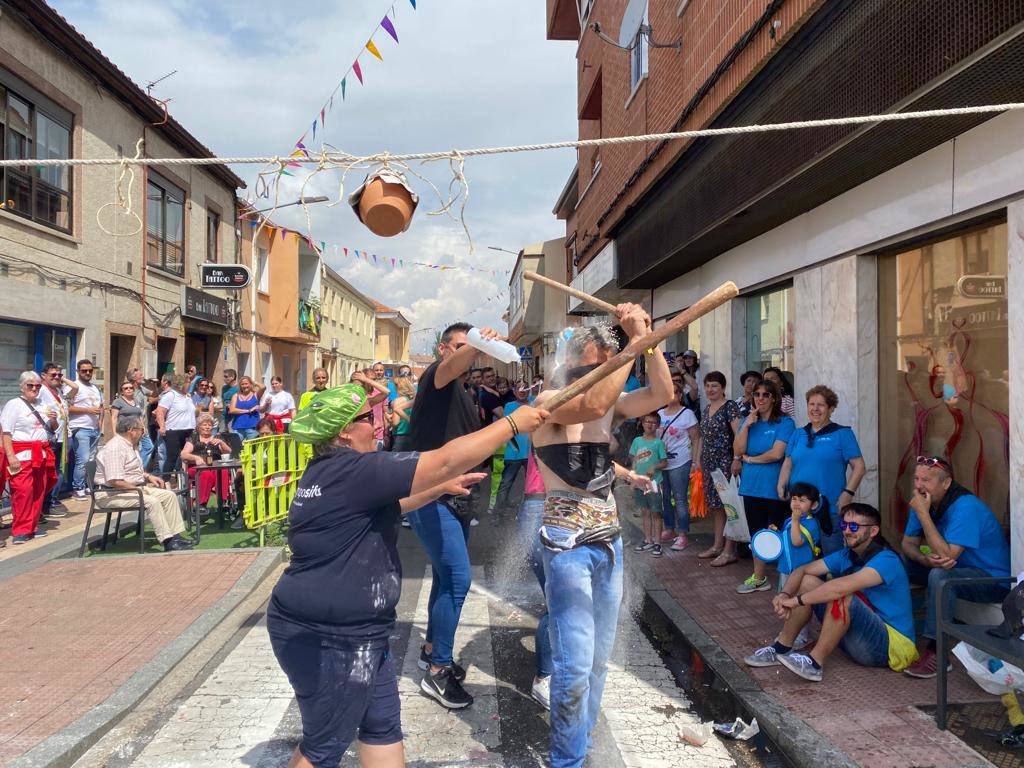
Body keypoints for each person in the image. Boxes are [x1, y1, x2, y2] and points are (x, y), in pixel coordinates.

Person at [267, 384, 548, 768]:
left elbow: (387, 505)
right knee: (323, 744)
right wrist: (512, 424)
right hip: (332, 636)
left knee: (381, 727)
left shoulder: (331, 472)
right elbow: (446, 458)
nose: (379, 423)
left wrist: (437, 489)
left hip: (358, 631)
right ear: (345, 431)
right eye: (369, 418)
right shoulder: (355, 469)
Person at [531, 307, 673, 768]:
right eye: (597, 366)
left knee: (596, 662)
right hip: (566, 547)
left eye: (606, 365)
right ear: (573, 364)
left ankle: (582, 743)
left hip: (608, 543)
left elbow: (662, 393)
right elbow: (591, 405)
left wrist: (647, 341)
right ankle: (566, 761)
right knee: (573, 668)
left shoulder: (606, 403)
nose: (604, 374)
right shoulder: (552, 399)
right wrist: (631, 345)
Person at [405, 322, 507, 709]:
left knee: (446, 578)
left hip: (459, 499)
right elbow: (454, 363)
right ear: (444, 350)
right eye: (462, 347)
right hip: (435, 497)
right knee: (459, 580)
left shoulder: (462, 390)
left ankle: (432, 650)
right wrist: (479, 345)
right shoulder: (436, 376)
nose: (469, 354)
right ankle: (438, 672)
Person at [743, 503, 918, 681]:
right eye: (844, 525)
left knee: (841, 593)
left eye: (854, 526)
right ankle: (781, 647)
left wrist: (797, 601)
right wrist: (784, 595)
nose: (847, 530)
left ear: (873, 531)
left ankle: (814, 664)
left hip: (890, 648)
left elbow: (840, 588)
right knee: (808, 581)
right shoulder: (847, 555)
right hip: (859, 640)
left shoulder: (886, 559)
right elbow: (802, 570)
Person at [900, 455, 1012, 679]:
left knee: (941, 577)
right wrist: (924, 560)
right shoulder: (924, 499)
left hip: (992, 580)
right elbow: (908, 544)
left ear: (946, 483)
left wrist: (923, 514)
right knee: (897, 562)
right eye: (916, 479)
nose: (919, 486)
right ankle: (895, 631)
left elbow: (947, 556)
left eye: (927, 480)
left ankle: (937, 654)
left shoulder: (965, 506)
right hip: (955, 569)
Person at [777, 385, 866, 554]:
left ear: (831, 408)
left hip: (829, 506)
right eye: (811, 404)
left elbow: (859, 467)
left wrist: (848, 493)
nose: (815, 409)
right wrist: (781, 484)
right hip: (800, 508)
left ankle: (833, 581)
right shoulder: (798, 434)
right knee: (801, 554)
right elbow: (788, 463)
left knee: (831, 555)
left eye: (821, 405)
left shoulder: (842, 434)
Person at [93, 415, 193, 551]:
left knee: (169, 495)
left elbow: (131, 471)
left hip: (129, 489)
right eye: (141, 429)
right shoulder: (115, 448)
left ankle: (176, 536)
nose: (143, 432)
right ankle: (167, 541)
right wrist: (138, 489)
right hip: (110, 494)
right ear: (131, 430)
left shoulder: (130, 445)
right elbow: (115, 480)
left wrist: (148, 476)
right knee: (152, 501)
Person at [733, 379, 797, 592]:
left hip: (775, 488)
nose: (760, 398)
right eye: (757, 394)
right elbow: (738, 449)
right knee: (757, 534)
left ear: (774, 398)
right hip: (751, 487)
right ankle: (759, 577)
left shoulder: (785, 423)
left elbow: (777, 453)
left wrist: (750, 460)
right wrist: (746, 427)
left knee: (778, 534)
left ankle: (786, 581)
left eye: (765, 394)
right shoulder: (748, 421)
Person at [1, 371, 59, 544]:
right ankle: (20, 529)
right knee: (22, 492)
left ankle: (32, 526)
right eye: (30, 385)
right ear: (22, 386)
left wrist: (54, 420)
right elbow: (6, 433)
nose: (34, 388)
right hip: (22, 454)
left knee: (38, 491)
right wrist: (11, 456)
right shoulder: (14, 405)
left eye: (38, 386)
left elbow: (51, 428)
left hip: (40, 453)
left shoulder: (42, 404)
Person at [693, 371, 743, 566]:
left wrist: (737, 458)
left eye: (714, 385)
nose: (710, 389)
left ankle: (730, 550)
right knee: (717, 508)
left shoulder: (730, 407)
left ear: (722, 388)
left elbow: (738, 435)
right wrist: (697, 462)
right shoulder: (706, 409)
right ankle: (717, 546)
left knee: (730, 507)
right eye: (707, 386)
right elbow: (701, 438)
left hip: (725, 464)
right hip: (708, 465)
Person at [656, 379, 699, 551]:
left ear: (680, 395)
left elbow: (696, 438)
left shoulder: (687, 414)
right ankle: (669, 529)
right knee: (664, 498)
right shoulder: (659, 413)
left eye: (674, 391)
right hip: (662, 462)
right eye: (668, 391)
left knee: (680, 498)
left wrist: (696, 461)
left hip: (681, 460)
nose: (671, 395)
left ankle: (682, 534)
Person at [38, 362, 76, 519]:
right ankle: (45, 505)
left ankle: (49, 503)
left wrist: (62, 379)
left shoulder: (58, 390)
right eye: (53, 375)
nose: (57, 378)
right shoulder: (41, 391)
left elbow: (75, 389)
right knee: (48, 474)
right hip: (50, 439)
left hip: (61, 437)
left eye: (59, 375)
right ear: (43, 376)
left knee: (55, 473)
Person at [630, 413, 669, 557]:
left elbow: (665, 462)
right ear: (642, 423)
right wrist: (632, 477)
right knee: (644, 512)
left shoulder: (658, 443)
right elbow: (634, 461)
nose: (650, 425)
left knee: (656, 512)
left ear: (658, 425)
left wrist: (656, 467)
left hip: (654, 482)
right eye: (647, 422)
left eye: (653, 422)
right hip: (640, 482)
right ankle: (648, 540)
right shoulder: (637, 441)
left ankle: (658, 543)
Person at [67, 358, 104, 500]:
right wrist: (87, 410)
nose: (87, 373)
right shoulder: (73, 387)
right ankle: (77, 488)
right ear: (78, 371)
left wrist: (100, 424)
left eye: (90, 370)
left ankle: (88, 485)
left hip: (94, 429)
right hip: (80, 428)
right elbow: (67, 408)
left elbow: (101, 407)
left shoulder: (95, 388)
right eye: (84, 371)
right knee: (82, 459)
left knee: (90, 459)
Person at [180, 414, 234, 511]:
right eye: (204, 424)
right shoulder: (194, 438)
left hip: (215, 466)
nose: (207, 427)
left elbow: (228, 451)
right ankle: (202, 503)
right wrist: (195, 458)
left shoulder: (217, 437)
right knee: (205, 473)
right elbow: (183, 454)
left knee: (223, 471)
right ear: (199, 426)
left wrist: (221, 443)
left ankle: (223, 501)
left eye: (209, 425)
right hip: (197, 468)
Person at [493, 381, 531, 516]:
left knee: (533, 485)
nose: (522, 391)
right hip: (513, 453)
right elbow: (507, 428)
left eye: (525, 388)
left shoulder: (535, 402)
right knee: (506, 484)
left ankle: (529, 512)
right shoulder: (509, 406)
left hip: (531, 453)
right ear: (514, 392)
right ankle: (498, 513)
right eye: (518, 389)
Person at [155, 373, 196, 473]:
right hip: (174, 431)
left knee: (189, 456)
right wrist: (162, 426)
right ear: (180, 384)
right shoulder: (171, 395)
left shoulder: (188, 396)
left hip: (189, 430)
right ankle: (165, 480)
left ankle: (186, 480)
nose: (190, 384)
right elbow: (160, 412)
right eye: (188, 382)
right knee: (172, 457)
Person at [351, 371, 392, 449]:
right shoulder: (353, 399)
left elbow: (387, 392)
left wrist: (366, 379)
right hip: (358, 438)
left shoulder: (367, 401)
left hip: (376, 436)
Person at [125, 367, 156, 470]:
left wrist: (154, 385)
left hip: (142, 425)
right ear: (134, 379)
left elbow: (154, 395)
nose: (143, 376)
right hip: (134, 425)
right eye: (140, 375)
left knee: (148, 447)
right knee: (138, 449)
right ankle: (135, 471)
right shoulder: (130, 391)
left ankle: (139, 470)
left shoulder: (142, 389)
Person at [388, 375, 417, 453]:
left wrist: (389, 419)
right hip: (411, 434)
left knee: (395, 461)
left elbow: (395, 423)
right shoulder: (412, 399)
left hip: (400, 435)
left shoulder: (397, 401)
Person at [674, 349, 701, 416]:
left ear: (694, 359)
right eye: (685, 358)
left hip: (695, 402)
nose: (688, 360)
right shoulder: (683, 373)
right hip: (684, 400)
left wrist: (682, 370)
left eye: (690, 358)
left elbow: (695, 386)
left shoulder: (699, 371)